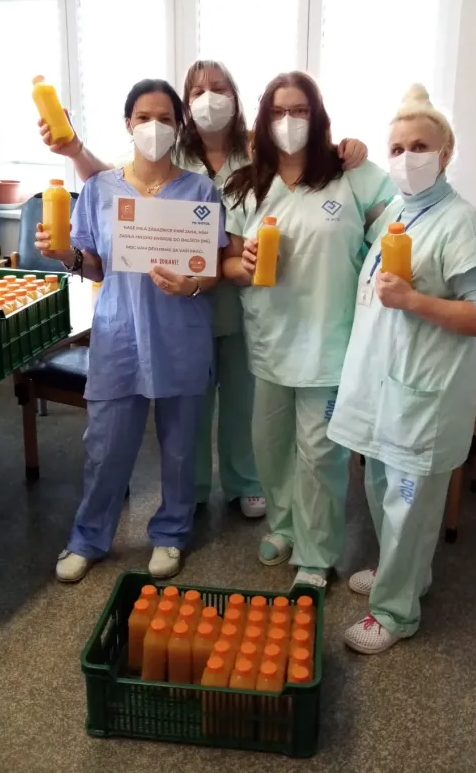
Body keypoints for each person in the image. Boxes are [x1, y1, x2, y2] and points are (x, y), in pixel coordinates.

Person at [39, 60, 368, 520]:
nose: (208, 99)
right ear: (185, 108)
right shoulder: (172, 152)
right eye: (197, 91)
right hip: (172, 310)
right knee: (188, 413)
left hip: (239, 297)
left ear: (235, 96)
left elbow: (306, 160)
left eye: (218, 88)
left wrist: (348, 148)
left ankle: (244, 481)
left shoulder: (257, 150)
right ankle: (189, 490)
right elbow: (110, 181)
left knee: (240, 401)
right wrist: (74, 148)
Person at [327, 84, 476, 655]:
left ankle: (395, 613)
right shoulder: (398, 212)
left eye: (419, 147)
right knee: (382, 490)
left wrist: (415, 301)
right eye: (397, 149)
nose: (407, 158)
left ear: (445, 153)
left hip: (423, 396)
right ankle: (402, 574)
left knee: (409, 506)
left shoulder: (460, 222)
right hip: (384, 387)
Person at [35, 79, 227, 583]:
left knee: (181, 447)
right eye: (144, 117)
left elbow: (211, 269)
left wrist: (191, 284)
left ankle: (171, 533)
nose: (154, 127)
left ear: (179, 126)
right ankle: (89, 538)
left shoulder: (200, 191)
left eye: (165, 118)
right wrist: (65, 255)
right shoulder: (101, 189)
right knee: (105, 447)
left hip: (180, 332)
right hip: (119, 333)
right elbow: (94, 265)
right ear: (128, 124)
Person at [221, 71, 394, 590]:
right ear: (263, 120)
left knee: (320, 455)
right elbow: (227, 263)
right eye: (278, 111)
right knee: (271, 447)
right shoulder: (245, 186)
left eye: (299, 110)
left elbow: (397, 230)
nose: (289, 121)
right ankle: (283, 527)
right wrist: (241, 265)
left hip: (329, 341)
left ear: (317, 116)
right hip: (270, 338)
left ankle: (316, 554)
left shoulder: (350, 175)